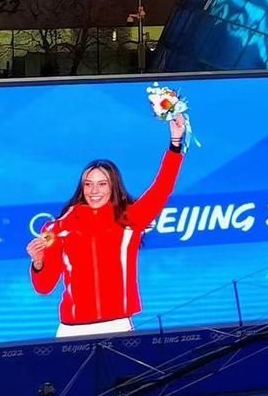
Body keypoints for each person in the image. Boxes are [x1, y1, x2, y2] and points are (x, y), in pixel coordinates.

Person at [27, 98, 187, 338]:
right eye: (88, 184)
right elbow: (44, 287)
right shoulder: (57, 228)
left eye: (102, 184)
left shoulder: (131, 219)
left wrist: (175, 143)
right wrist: (38, 263)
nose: (94, 191)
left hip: (118, 326)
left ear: (113, 187)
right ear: (81, 187)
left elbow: (162, 188)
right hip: (71, 330)